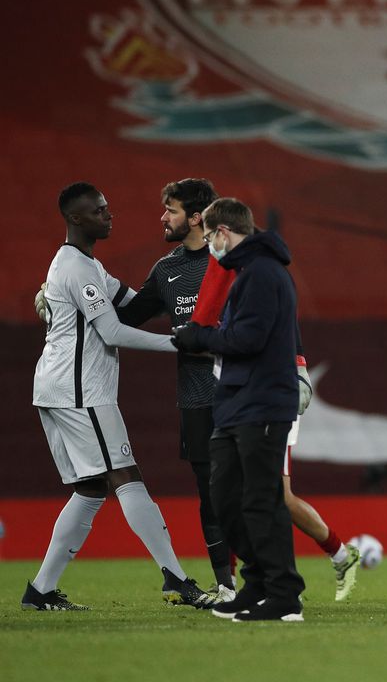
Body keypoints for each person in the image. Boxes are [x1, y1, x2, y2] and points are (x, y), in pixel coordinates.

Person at [23, 182, 217, 612]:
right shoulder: (74, 267)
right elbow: (110, 330)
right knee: (126, 478)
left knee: (91, 488)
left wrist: (184, 307)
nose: (109, 215)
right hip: (80, 392)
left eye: (107, 208)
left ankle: (40, 590)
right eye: (98, 211)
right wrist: (179, 343)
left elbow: (132, 303)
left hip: (61, 389)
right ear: (76, 219)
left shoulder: (86, 266)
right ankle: (177, 578)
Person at [190, 245, 361, 603]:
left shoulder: (258, 275)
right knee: (234, 490)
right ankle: (236, 586)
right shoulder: (219, 274)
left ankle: (335, 558)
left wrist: (296, 372)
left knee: (272, 495)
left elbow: (263, 335)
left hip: (271, 394)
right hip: (239, 396)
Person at [172, 198, 306, 622]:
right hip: (238, 401)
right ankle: (258, 583)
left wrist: (201, 338)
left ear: (223, 233)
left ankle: (284, 594)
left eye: (210, 236)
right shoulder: (250, 272)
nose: (209, 245)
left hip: (263, 402)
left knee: (260, 500)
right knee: (226, 496)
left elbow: (248, 339)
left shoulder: (262, 274)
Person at [112, 178, 235, 598]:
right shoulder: (167, 271)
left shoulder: (232, 264)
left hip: (241, 395)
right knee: (210, 492)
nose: (163, 217)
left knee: (252, 488)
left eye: (172, 210)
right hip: (197, 401)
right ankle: (226, 584)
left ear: (197, 217)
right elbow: (124, 317)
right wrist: (66, 298)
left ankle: (268, 578)